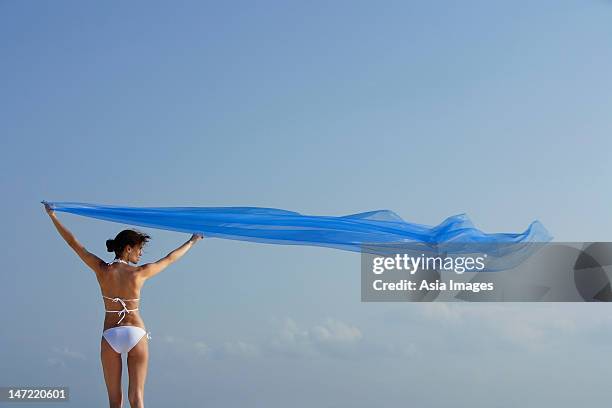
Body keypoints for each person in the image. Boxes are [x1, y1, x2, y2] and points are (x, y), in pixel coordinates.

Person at [43, 202, 203, 408]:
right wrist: (192, 241)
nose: (141, 254)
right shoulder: (139, 273)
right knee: (137, 398)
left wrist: (53, 216)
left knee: (114, 401)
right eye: (139, 249)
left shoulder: (102, 269)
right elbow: (170, 259)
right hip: (136, 332)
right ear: (128, 249)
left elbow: (74, 244)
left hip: (111, 334)